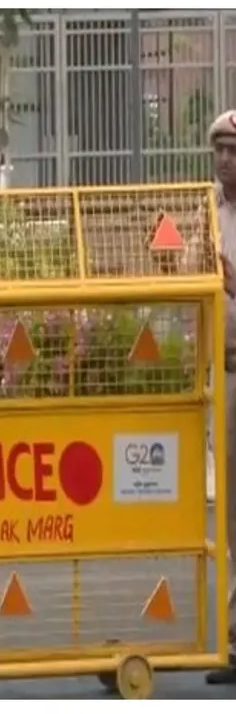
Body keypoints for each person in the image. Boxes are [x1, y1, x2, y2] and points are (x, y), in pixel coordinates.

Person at [207, 110, 236, 687]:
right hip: (226, 371)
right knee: (230, 510)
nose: (226, 161)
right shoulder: (204, 209)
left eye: (234, 151)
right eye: (220, 151)